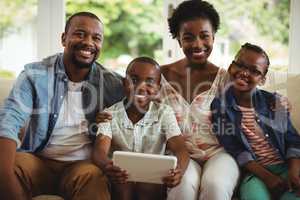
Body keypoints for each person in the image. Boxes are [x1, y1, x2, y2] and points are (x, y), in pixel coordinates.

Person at [0, 12, 124, 200]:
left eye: (96, 38)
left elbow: (145, 97)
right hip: (38, 161)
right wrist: (5, 176)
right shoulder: (34, 75)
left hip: (82, 167)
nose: (88, 42)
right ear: (64, 38)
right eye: (80, 34)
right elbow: (8, 122)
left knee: (94, 178)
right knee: (8, 165)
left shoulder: (113, 83)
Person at [159, 1, 239, 199]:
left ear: (213, 37)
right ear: (178, 40)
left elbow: (250, 102)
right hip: (179, 154)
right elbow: (135, 103)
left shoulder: (224, 77)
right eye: (188, 37)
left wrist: (277, 102)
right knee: (182, 186)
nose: (197, 44)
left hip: (219, 154)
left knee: (215, 185)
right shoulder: (160, 75)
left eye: (204, 36)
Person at [211, 43, 300, 200]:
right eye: (240, 65)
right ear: (231, 67)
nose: (244, 73)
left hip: (285, 165)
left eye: (254, 71)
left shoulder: (275, 101)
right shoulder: (220, 106)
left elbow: (292, 139)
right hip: (255, 173)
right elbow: (236, 149)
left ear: (262, 79)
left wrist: (294, 169)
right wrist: (268, 177)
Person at [93, 57, 190, 200]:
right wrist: (108, 166)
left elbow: (180, 149)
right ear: (124, 83)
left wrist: (179, 172)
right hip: (120, 179)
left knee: (148, 185)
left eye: (150, 82)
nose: (141, 86)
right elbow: (99, 151)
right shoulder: (109, 114)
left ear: (158, 88)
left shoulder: (164, 113)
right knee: (123, 184)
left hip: (152, 183)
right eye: (134, 80)